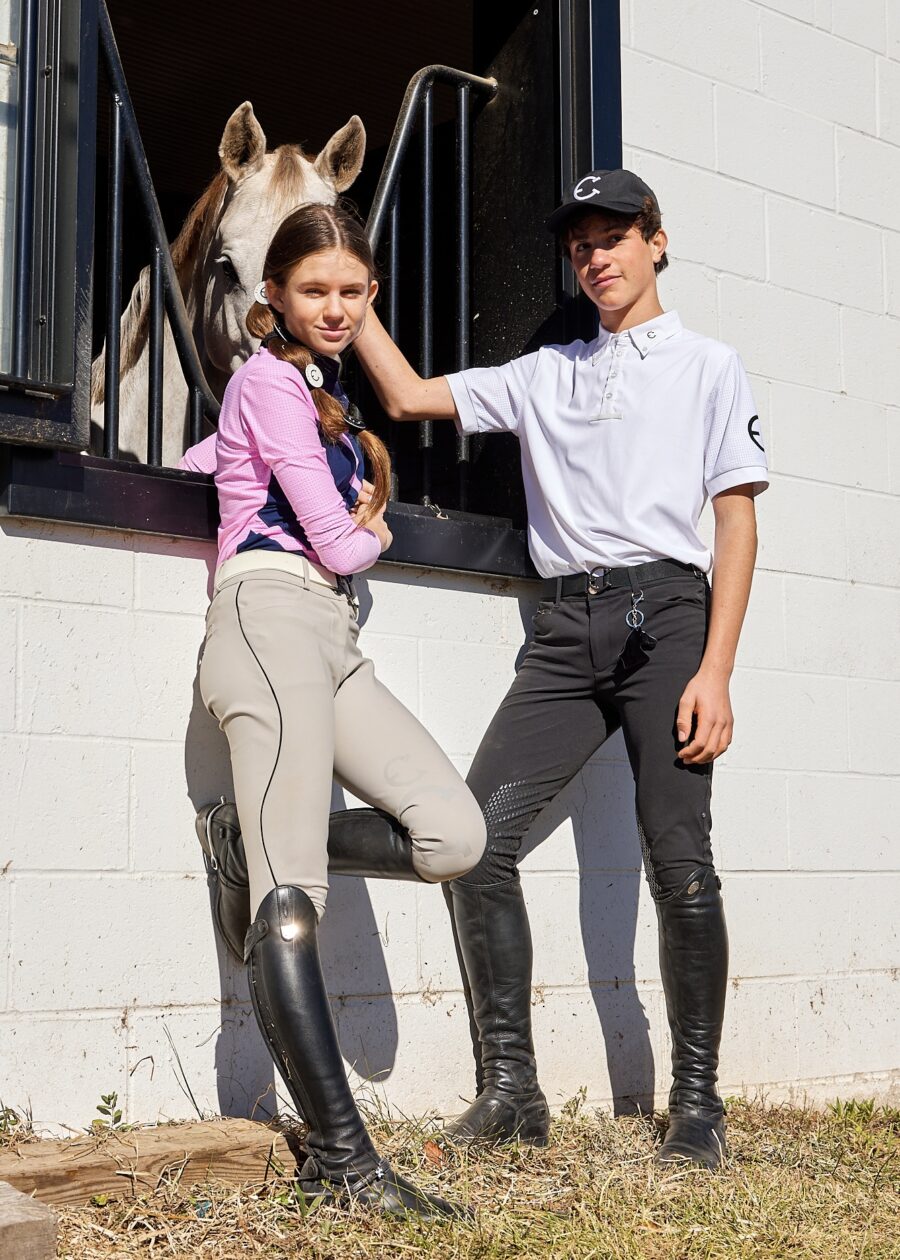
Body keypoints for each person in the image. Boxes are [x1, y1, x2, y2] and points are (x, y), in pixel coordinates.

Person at [350, 169, 768, 1170]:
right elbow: (408, 396)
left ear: (656, 243)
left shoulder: (709, 366)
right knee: (475, 840)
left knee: (679, 859)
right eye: (581, 243)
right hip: (561, 629)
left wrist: (717, 668)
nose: (598, 256)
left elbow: (738, 520)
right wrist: (353, 299)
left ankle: (697, 1107)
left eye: (616, 235)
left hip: (667, 619)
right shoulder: (545, 374)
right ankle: (514, 1096)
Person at [186, 201, 486, 1219]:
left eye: (354, 292)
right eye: (315, 289)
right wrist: (376, 535)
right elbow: (331, 537)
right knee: (294, 900)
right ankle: (345, 1162)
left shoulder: (313, 394)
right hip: (269, 622)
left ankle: (245, 841)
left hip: (333, 641)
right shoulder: (268, 379)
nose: (336, 307)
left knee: (454, 833)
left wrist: (218, 467)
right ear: (271, 293)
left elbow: (231, 466)